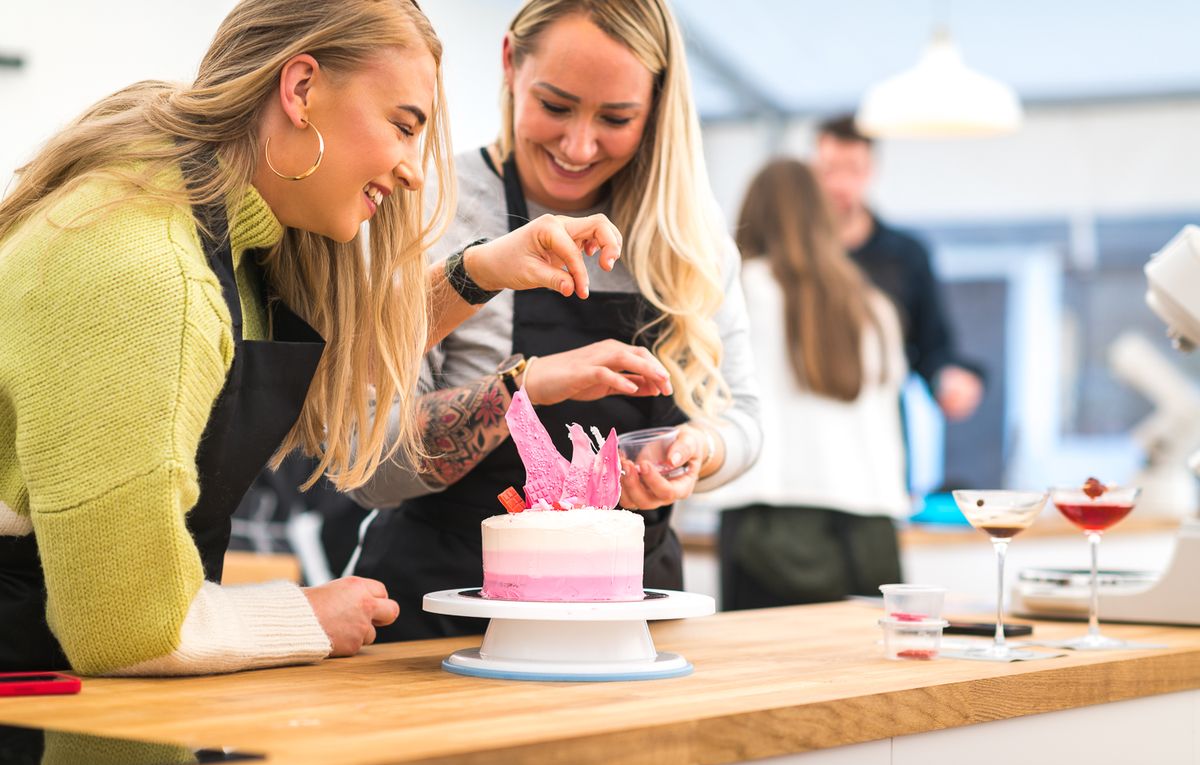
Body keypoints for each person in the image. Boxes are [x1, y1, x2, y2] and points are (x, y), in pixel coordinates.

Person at [0, 0, 626, 676]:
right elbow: (131, 631)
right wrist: (306, 615)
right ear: (300, 90)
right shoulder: (145, 269)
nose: (415, 169)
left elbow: (344, 367)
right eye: (402, 125)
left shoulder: (219, 233)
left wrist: (479, 271)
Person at [350, 0, 762, 641]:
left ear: (656, 106)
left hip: (633, 628)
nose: (578, 145)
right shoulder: (427, 207)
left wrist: (696, 451)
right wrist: (524, 386)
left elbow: (744, 422)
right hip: (439, 620)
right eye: (556, 106)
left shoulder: (689, 239)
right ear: (511, 62)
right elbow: (366, 468)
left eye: (617, 118)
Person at [711, 159, 909, 610]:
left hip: (766, 516)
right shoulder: (876, 306)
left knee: (768, 677)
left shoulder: (738, 293)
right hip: (872, 524)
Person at [813, 114, 984, 422]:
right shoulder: (794, 257)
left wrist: (948, 380)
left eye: (853, 169)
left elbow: (932, 346)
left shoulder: (906, 255)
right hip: (807, 420)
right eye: (830, 170)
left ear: (871, 171)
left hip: (883, 424)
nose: (840, 184)